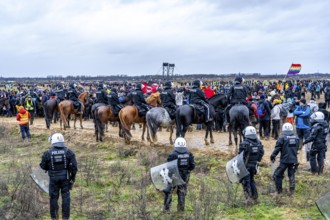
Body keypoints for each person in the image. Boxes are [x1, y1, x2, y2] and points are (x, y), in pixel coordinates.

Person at [40, 133, 78, 220]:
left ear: (53, 141)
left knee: (53, 198)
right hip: (65, 178)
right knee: (66, 197)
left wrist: (48, 167)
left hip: (53, 179)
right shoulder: (69, 152)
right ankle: (66, 217)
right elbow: (74, 168)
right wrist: (72, 180)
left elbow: (42, 166)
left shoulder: (47, 153)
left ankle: (54, 217)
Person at [164, 137, 195, 212]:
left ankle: (166, 210)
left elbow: (168, 167)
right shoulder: (189, 154)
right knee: (182, 192)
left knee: (169, 192)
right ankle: (181, 211)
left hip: (173, 176)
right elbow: (192, 166)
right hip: (185, 176)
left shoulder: (173, 155)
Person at [270, 123, 299, 195]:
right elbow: (297, 148)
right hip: (294, 160)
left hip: (285, 160)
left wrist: (273, 156)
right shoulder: (296, 137)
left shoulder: (282, 138)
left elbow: (277, 148)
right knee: (291, 175)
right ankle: (292, 192)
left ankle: (279, 192)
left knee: (278, 174)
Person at [239, 126, 264, 205]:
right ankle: (255, 197)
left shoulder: (244, 143)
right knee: (252, 180)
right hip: (254, 165)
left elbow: (240, 156)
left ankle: (248, 199)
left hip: (245, 166)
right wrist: (257, 160)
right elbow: (262, 152)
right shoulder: (258, 143)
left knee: (246, 182)